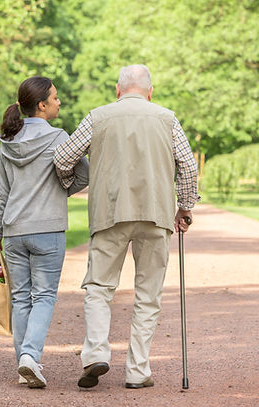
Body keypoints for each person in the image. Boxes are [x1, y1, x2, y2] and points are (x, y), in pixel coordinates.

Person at [53, 64, 199, 389]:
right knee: (148, 295)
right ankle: (137, 371)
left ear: (117, 91)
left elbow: (63, 159)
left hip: (110, 212)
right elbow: (188, 166)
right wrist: (184, 207)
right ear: (150, 91)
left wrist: (73, 183)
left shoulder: (98, 116)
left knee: (99, 288)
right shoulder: (167, 118)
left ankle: (95, 354)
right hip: (156, 214)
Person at [0, 76, 89, 388]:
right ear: (42, 105)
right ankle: (30, 357)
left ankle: (24, 361)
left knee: (21, 299)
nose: (59, 102)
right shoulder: (59, 138)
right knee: (44, 296)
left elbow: (2, 193)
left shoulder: (7, 142)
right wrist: (62, 189)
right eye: (55, 98)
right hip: (48, 230)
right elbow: (84, 173)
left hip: (14, 231)